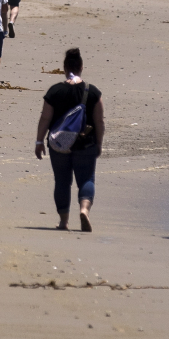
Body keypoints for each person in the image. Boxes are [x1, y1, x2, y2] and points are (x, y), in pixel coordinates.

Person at [35, 47, 104, 232]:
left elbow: (45, 118)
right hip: (85, 143)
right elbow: (99, 121)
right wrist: (98, 143)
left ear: (64, 67)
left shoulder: (55, 91)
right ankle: (84, 211)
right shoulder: (93, 92)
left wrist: (39, 141)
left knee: (62, 181)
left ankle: (64, 222)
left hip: (59, 145)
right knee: (86, 179)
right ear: (81, 66)